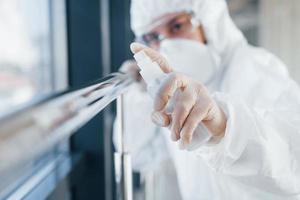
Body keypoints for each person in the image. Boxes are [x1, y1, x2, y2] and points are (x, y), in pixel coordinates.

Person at [114, 0, 300, 199]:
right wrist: (142, 98)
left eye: (177, 26)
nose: (165, 44)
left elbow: (292, 160)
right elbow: (145, 156)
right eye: (153, 37)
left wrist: (223, 126)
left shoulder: (255, 68)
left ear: (209, 21)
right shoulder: (178, 95)